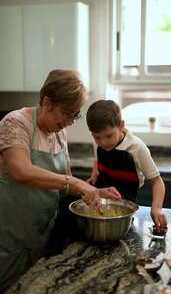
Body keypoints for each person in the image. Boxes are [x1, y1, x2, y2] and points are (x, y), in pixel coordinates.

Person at [0, 70, 121, 292]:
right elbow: (20, 170)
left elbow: (63, 185)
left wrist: (94, 191)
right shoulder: (16, 123)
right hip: (11, 237)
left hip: (42, 234)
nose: (68, 122)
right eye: (66, 113)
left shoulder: (59, 134)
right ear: (47, 102)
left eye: (74, 116)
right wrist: (75, 183)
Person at [86, 99, 167, 232]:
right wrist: (94, 174)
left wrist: (157, 208)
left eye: (108, 136)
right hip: (100, 201)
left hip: (124, 206)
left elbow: (158, 182)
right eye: (97, 138)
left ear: (121, 125)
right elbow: (98, 159)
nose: (103, 143)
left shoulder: (137, 148)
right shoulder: (100, 140)